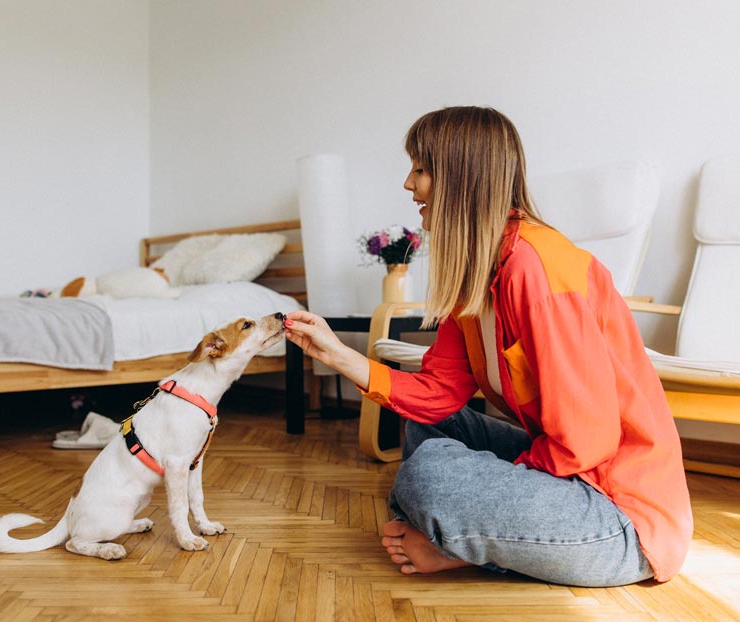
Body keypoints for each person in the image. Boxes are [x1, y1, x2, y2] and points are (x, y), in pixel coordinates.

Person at [284, 106, 692, 587]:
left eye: (420, 168)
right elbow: (438, 394)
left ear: (461, 177)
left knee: (432, 472)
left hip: (618, 519)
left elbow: (589, 440)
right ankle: (465, 533)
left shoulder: (539, 271)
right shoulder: (476, 275)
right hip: (567, 476)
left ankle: (459, 538)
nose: (408, 185)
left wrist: (503, 480)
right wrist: (339, 355)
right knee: (432, 426)